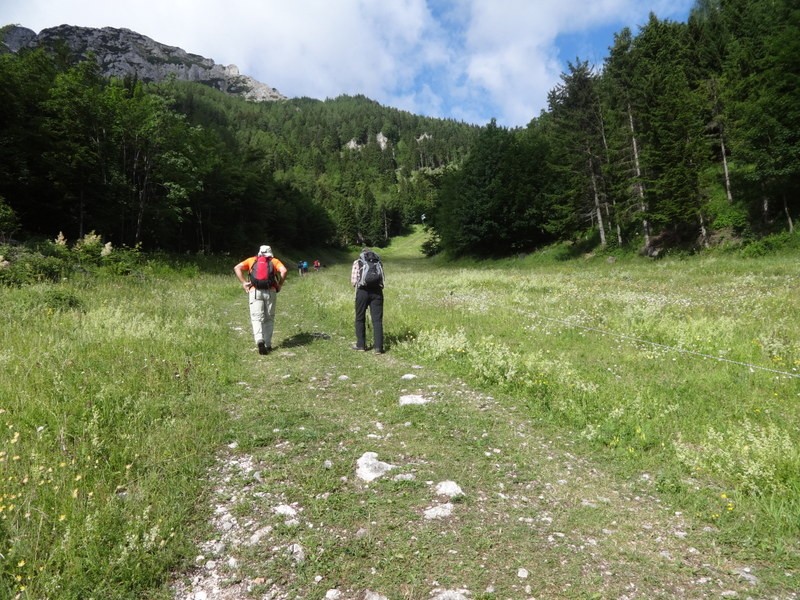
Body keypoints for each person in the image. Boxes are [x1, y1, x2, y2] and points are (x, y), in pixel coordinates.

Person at [233, 245, 288, 355]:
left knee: (256, 318)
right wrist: (280, 284)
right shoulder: (274, 261)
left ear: (259, 252)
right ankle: (267, 344)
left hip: (255, 291)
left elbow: (236, 268)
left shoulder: (251, 260)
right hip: (270, 291)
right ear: (270, 252)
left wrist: (244, 283)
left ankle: (259, 340)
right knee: (269, 318)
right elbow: (284, 271)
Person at [350, 247, 385, 353]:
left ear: (362, 254)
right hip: (377, 292)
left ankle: (361, 345)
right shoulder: (378, 262)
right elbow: (382, 279)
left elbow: (353, 281)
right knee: (377, 320)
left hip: (362, 292)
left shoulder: (358, 262)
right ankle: (378, 348)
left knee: (360, 318)